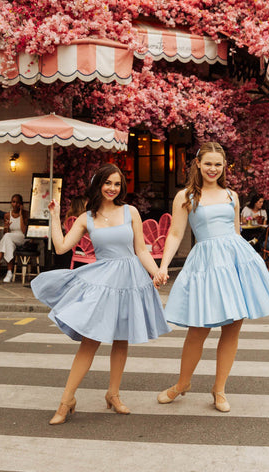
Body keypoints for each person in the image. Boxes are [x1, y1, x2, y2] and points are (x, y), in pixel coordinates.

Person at [153, 142, 269, 413]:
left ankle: (219, 389)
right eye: (208, 164)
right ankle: (182, 384)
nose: (213, 169)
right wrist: (163, 266)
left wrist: (248, 268)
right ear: (198, 165)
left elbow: (236, 233)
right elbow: (176, 234)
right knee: (198, 329)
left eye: (218, 164)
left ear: (224, 167)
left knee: (233, 326)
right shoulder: (186, 196)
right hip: (206, 263)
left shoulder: (231, 195)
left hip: (235, 260)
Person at [31, 163, 170, 423]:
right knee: (90, 340)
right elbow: (61, 248)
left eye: (117, 184)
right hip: (103, 281)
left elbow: (141, 250)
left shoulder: (131, 212)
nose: (112, 188)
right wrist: (53, 217)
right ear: (98, 184)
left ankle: (113, 394)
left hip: (130, 280)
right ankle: (66, 401)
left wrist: (156, 272)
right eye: (108, 183)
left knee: (121, 339)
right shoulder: (87, 218)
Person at [0, 194, 28, 283]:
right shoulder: (7, 215)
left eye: (17, 202)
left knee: (7, 237)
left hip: (23, 238)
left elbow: (24, 231)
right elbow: (6, 233)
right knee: (9, 243)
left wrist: (21, 215)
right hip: (11, 238)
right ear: (11, 203)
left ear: (21, 204)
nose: (15, 204)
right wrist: (6, 227)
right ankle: (9, 273)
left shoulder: (26, 213)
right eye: (13, 202)